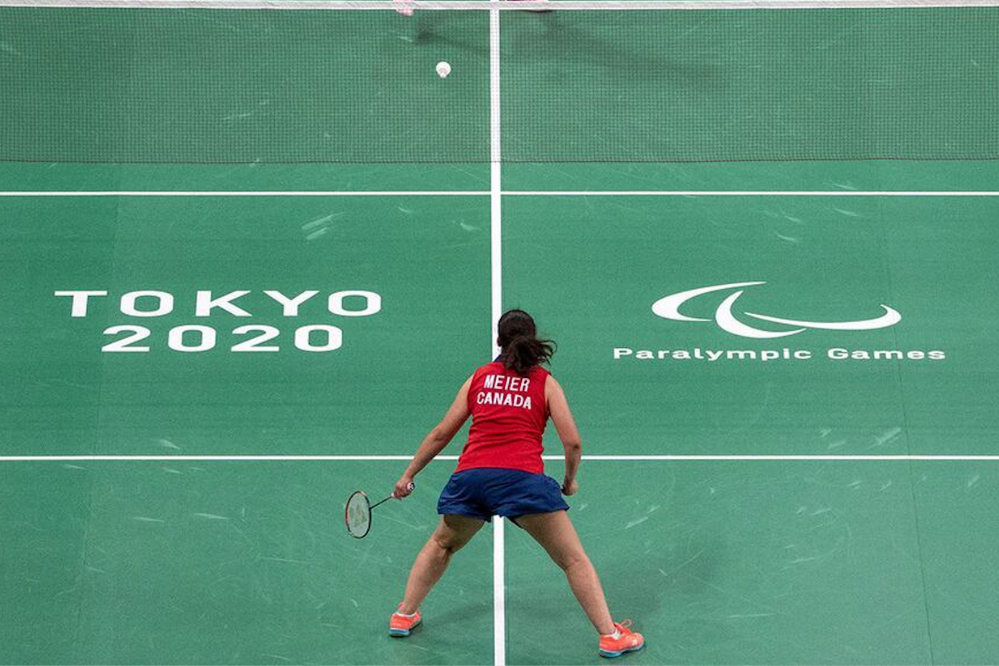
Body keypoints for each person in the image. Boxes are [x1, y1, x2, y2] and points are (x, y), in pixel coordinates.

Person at [389, 309, 645, 659]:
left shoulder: (479, 378)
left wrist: (408, 475)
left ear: (498, 340)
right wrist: (569, 482)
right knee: (573, 561)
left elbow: (440, 434)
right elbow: (572, 442)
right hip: (522, 481)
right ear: (533, 338)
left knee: (442, 544)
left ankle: (403, 615)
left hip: (472, 478)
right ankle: (610, 635)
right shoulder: (545, 383)